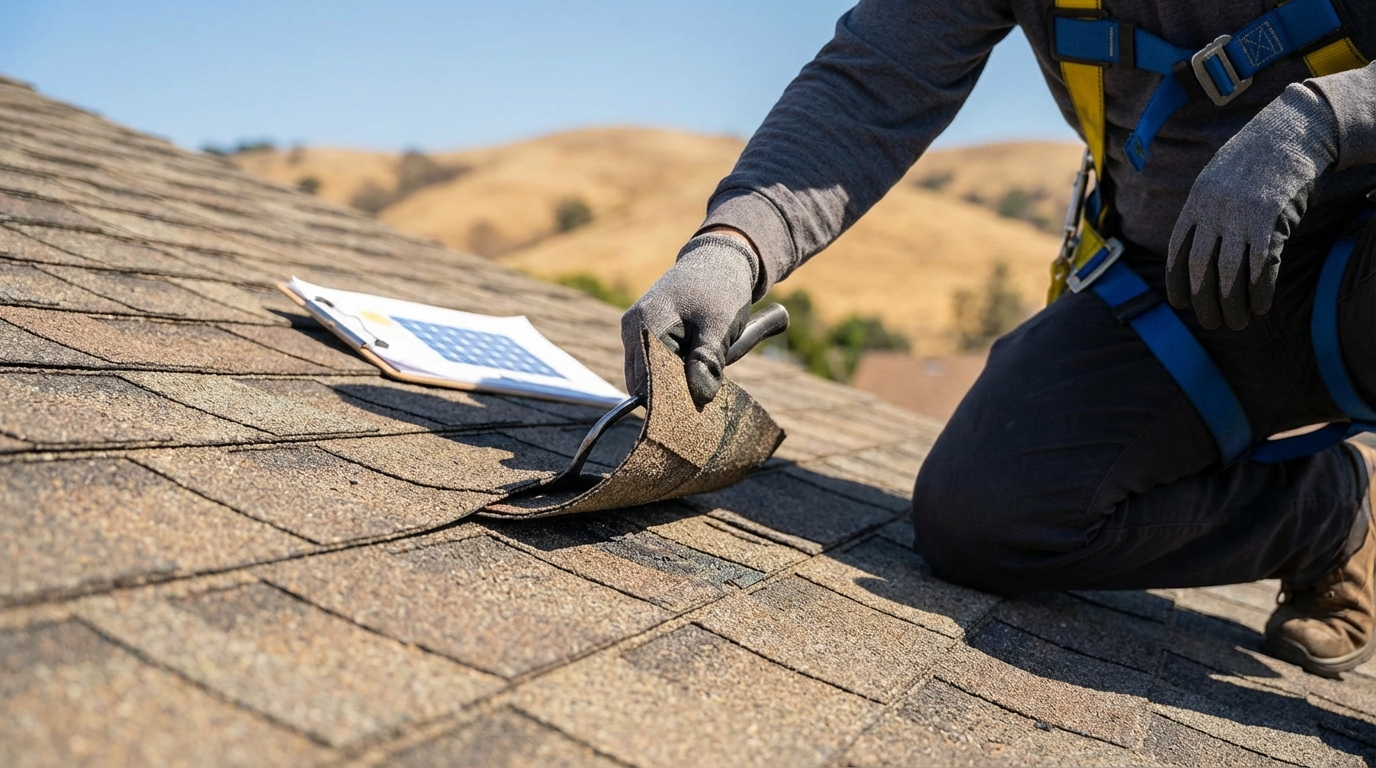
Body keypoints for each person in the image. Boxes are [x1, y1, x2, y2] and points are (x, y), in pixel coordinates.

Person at [621, 1, 1376, 677]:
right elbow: (875, 81)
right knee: (983, 518)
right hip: (1169, 294)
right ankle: (1332, 512)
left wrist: (1321, 121)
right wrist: (731, 247)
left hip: (1356, 276)